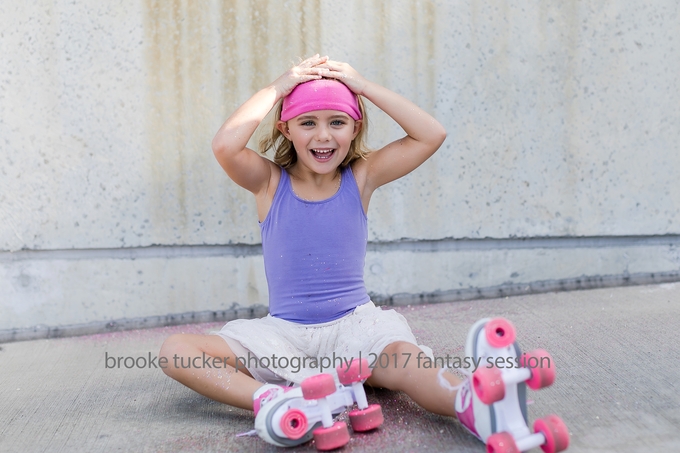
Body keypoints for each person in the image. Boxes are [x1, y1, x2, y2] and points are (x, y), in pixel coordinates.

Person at [159, 54, 518, 448]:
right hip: (285, 340)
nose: (323, 135)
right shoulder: (268, 183)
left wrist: (362, 86)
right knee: (176, 351)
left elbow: (430, 134)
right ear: (287, 128)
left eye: (337, 122)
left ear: (354, 127)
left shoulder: (360, 178)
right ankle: (275, 401)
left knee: (407, 360)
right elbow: (226, 145)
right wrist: (279, 87)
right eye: (308, 123)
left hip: (356, 332)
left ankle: (470, 400)